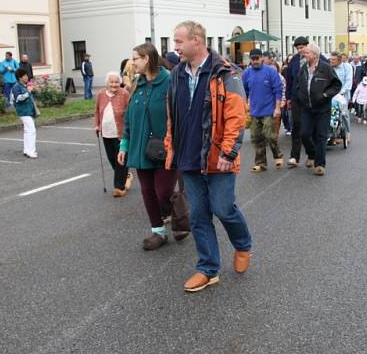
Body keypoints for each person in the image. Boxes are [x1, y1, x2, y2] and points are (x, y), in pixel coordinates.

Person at [164, 20, 251, 293]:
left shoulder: (226, 72)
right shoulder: (176, 74)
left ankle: (242, 244)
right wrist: (171, 148)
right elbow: (172, 116)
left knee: (223, 208)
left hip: (218, 156)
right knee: (199, 216)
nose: (174, 47)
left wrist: (229, 150)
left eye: (179, 41)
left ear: (196, 41)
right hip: (188, 157)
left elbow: (237, 117)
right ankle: (208, 268)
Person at [118, 42, 179, 251]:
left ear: (147, 58)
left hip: (166, 148)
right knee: (147, 191)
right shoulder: (137, 84)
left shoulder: (170, 82)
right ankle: (158, 232)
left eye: (135, 58)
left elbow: (181, 114)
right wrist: (124, 145)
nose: (132, 62)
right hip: (140, 148)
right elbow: (128, 118)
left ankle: (181, 217)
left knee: (163, 191)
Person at [296, 43, 342, 175]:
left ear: (315, 55)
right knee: (304, 133)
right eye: (305, 53)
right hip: (306, 108)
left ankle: (320, 164)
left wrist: (325, 95)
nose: (304, 55)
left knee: (321, 136)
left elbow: (337, 84)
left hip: (322, 108)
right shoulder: (303, 68)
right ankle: (312, 154)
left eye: (307, 53)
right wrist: (299, 95)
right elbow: (298, 84)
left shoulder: (325, 68)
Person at [242, 48, 283, 172]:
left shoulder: (270, 72)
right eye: (253, 59)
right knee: (256, 137)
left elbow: (278, 90)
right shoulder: (247, 73)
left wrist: (277, 108)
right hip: (254, 111)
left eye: (257, 58)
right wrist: (246, 105)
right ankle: (261, 163)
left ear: (262, 58)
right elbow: (244, 92)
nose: (255, 61)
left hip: (269, 110)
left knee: (270, 136)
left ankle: (278, 155)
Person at [95, 72, 131, 196]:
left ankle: (119, 188)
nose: (114, 84)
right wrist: (97, 125)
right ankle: (126, 175)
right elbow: (96, 111)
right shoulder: (101, 94)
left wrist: (129, 128)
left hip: (120, 133)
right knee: (112, 159)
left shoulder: (124, 94)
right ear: (107, 83)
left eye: (116, 82)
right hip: (106, 133)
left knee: (120, 159)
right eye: (111, 82)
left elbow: (130, 112)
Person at [284, 36, 309, 167]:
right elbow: (289, 80)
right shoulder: (294, 60)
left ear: (307, 46)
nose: (300, 50)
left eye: (302, 47)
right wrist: (288, 97)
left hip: (311, 99)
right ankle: (294, 156)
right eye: (298, 48)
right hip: (296, 98)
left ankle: (312, 155)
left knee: (309, 128)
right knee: (296, 127)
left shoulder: (316, 58)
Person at [13, 68, 39, 158]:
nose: (27, 77)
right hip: (24, 112)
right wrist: (28, 91)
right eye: (24, 76)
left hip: (28, 111)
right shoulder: (17, 86)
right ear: (20, 77)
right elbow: (19, 98)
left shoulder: (24, 86)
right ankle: (31, 151)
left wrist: (32, 90)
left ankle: (27, 150)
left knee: (28, 131)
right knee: (31, 131)